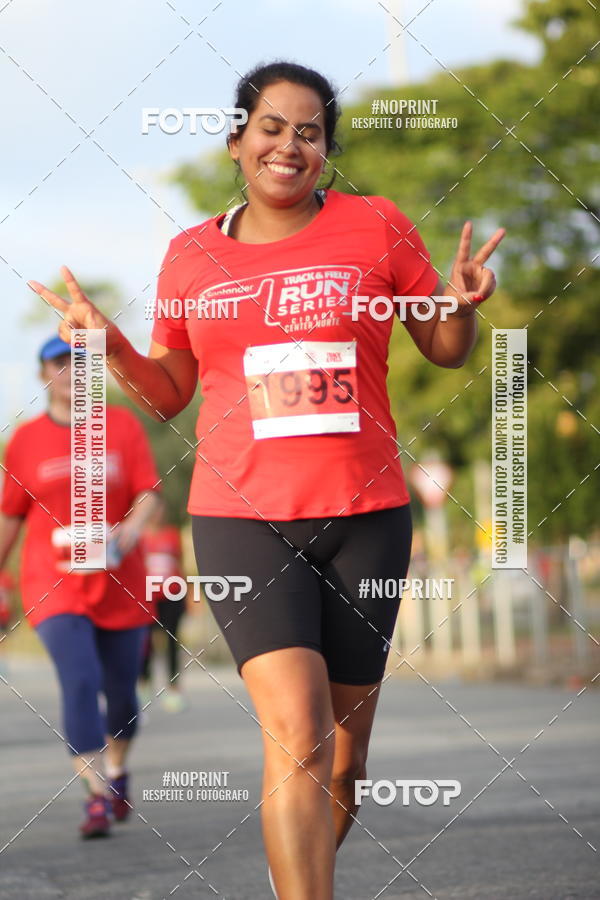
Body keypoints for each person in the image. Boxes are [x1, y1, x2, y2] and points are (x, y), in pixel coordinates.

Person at [29, 60, 504, 897]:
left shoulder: (376, 226)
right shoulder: (191, 256)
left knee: (346, 760)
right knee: (299, 736)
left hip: (370, 517)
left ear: (327, 150)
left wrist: (459, 306)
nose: (291, 144)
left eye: (311, 130)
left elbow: (444, 348)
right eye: (273, 127)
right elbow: (170, 396)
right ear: (238, 141)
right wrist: (113, 347)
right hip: (244, 519)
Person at [0, 336, 161, 838]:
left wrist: (130, 531)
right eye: (58, 362)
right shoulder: (25, 440)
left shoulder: (121, 425)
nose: (71, 370)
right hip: (53, 584)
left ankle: (117, 771)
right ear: (43, 372)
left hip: (121, 582)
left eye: (81, 362)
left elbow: (149, 493)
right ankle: (95, 795)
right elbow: (8, 517)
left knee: (122, 697)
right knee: (79, 678)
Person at [138, 495, 187, 711]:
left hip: (172, 597)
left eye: (161, 509)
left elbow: (180, 565)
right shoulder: (138, 536)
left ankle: (174, 689)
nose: (157, 513)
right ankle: (143, 685)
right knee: (144, 643)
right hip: (145, 599)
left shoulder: (172, 535)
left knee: (172, 644)